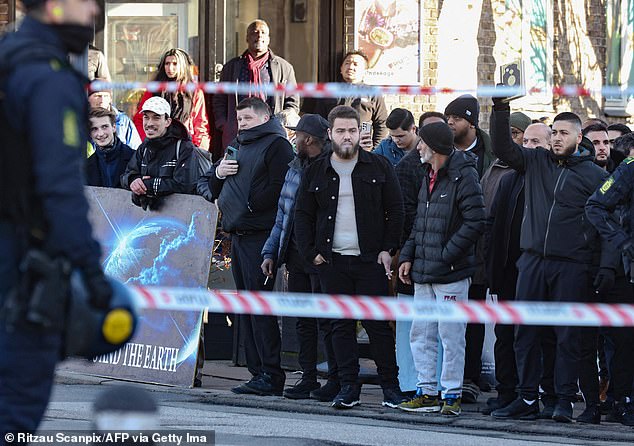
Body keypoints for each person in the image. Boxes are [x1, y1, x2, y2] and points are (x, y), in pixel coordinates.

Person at [0, 0, 112, 437]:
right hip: (21, 264)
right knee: (17, 403)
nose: (93, 15)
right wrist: (89, 268)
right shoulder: (47, 77)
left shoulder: (8, 60)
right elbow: (60, 186)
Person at [489, 96, 613, 422]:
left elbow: (610, 227)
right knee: (524, 333)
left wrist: (604, 267)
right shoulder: (536, 162)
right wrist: (500, 106)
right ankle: (527, 399)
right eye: (554, 132)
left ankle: (563, 401)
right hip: (531, 262)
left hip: (572, 265)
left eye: (563, 133)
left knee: (566, 337)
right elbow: (502, 147)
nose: (557, 138)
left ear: (577, 138)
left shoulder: (594, 177)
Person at [294, 105, 406, 409]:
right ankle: (348, 387)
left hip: (370, 260)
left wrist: (388, 249)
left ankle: (390, 388)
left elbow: (396, 211)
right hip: (332, 261)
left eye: (353, 131)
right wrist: (312, 254)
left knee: (378, 327)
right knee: (340, 327)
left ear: (361, 133)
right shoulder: (316, 170)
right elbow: (302, 215)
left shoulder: (379, 166)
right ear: (330, 134)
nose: (347, 136)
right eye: (341, 131)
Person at [198, 97, 294, 396]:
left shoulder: (277, 146)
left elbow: (282, 189)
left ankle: (270, 372)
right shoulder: (236, 146)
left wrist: (250, 204)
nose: (243, 125)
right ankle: (257, 372)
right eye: (239, 120)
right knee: (247, 306)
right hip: (237, 235)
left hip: (261, 236)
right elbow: (206, 186)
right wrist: (218, 173)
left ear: (265, 118)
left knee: (260, 306)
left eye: (248, 119)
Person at [397, 122, 485, 416]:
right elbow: (419, 222)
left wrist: (447, 255)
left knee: (451, 336)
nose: (418, 147)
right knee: (421, 334)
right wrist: (408, 256)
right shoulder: (428, 175)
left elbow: (476, 222)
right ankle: (427, 391)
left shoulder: (465, 176)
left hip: (450, 274)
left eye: (421, 143)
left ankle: (451, 395)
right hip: (424, 272)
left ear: (433, 147)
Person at [260, 114, 338, 401]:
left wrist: (322, 252)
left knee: (329, 321)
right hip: (295, 254)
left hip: (321, 257)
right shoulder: (294, 168)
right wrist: (271, 251)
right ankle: (308, 377)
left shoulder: (332, 168)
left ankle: (335, 378)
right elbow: (282, 214)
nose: (293, 139)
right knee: (303, 320)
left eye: (297, 135)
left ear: (308, 139)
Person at [482, 122, 551, 416]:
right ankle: (507, 391)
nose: (531, 147)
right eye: (528, 141)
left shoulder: (552, 180)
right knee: (505, 334)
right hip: (508, 269)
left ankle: (533, 396)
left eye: (537, 142)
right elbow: (493, 224)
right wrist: (491, 266)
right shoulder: (510, 179)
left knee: (535, 337)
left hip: (538, 271)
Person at [444, 94, 493, 403]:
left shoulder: (491, 154)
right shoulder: (442, 151)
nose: (450, 123)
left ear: (471, 122)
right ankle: (444, 376)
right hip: (444, 247)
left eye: (456, 119)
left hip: (478, 249)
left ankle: (470, 377)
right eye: (448, 118)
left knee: (472, 316)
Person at [393, 111, 447, 393]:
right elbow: (405, 215)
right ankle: (410, 382)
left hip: (443, 260)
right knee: (412, 327)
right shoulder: (407, 167)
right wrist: (407, 254)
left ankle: (437, 384)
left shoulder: (455, 168)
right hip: (414, 258)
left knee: (440, 329)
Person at [584, 131, 634, 426]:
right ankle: (622, 400)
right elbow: (595, 206)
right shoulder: (629, 168)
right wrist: (624, 243)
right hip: (626, 273)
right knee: (626, 342)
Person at [212, 20, 299, 151]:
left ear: (268, 39)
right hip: (238, 132)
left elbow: (292, 102)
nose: (259, 36)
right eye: (255, 32)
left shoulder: (284, 68)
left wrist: (283, 124)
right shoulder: (231, 67)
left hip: (272, 132)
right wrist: (225, 124)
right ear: (247, 38)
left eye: (263, 33)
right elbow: (219, 100)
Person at [122, 96, 196, 210]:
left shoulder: (184, 147)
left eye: (156, 118)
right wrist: (133, 181)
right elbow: (126, 175)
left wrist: (147, 185)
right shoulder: (144, 148)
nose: (149, 123)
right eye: (146, 118)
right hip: (149, 219)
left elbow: (184, 185)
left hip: (181, 218)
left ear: (167, 121)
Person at [307, 51, 388, 148]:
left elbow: (382, 124)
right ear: (341, 68)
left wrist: (375, 151)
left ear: (365, 71)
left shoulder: (372, 93)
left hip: (362, 150)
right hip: (332, 151)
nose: (351, 67)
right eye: (347, 63)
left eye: (356, 64)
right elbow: (318, 122)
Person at [134, 48, 211, 151]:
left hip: (186, 146)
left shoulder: (194, 91)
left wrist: (199, 149)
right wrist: (148, 141)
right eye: (167, 63)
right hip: (158, 145)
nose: (170, 68)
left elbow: (200, 123)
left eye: (175, 64)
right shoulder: (154, 89)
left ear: (183, 66)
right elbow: (140, 119)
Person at [86, 107, 135, 188]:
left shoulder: (135, 157)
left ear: (114, 127)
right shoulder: (86, 167)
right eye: (94, 129)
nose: (100, 133)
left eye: (104, 127)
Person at [88, 82, 142, 150]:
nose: (102, 100)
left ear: (110, 99)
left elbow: (136, 150)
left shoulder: (123, 121)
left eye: (106, 96)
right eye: (97, 96)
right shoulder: (80, 121)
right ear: (88, 99)